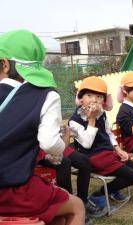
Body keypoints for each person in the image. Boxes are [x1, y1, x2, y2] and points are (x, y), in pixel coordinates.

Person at [0, 30, 85, 225]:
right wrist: (61, 147)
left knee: (59, 217)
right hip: (16, 192)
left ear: (5, 64)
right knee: (77, 206)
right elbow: (48, 141)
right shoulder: (45, 95)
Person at [68, 76, 133, 210]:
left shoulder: (102, 114)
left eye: (99, 96)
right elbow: (86, 144)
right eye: (89, 95)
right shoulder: (74, 120)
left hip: (109, 153)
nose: (94, 100)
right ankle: (97, 195)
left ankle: (113, 190)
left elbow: (109, 133)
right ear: (81, 99)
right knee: (132, 177)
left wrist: (118, 149)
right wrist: (91, 120)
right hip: (92, 157)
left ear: (104, 100)